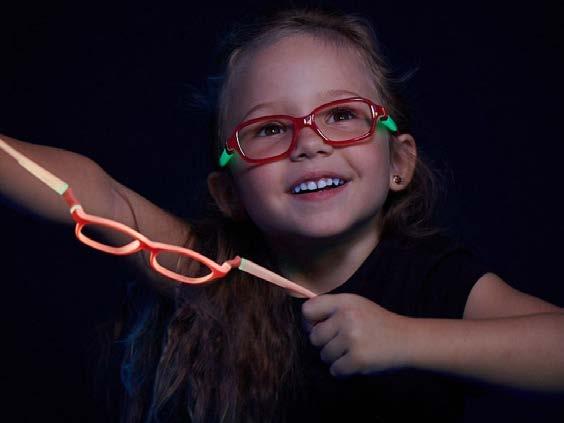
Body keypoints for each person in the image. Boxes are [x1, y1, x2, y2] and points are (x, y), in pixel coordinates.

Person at [1, 7, 563, 423]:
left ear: (399, 162)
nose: (309, 144)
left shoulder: (434, 278)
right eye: (270, 128)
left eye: (341, 115)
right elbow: (104, 197)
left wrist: (405, 339)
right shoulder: (210, 272)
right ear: (230, 193)